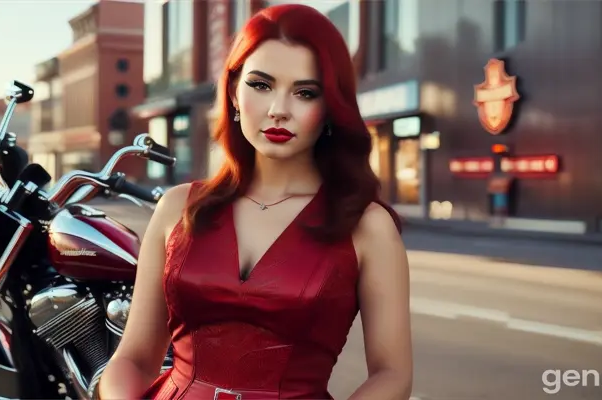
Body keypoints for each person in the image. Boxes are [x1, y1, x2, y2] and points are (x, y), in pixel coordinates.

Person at [98, 4, 412, 399]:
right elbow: (134, 359)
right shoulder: (178, 208)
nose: (279, 110)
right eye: (261, 85)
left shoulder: (367, 227)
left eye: (304, 92)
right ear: (233, 92)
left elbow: (392, 376)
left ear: (330, 106)